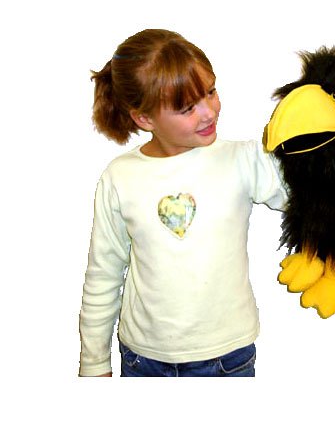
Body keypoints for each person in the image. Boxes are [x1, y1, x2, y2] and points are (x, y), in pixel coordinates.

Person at [79, 29, 287, 377]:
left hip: (227, 359)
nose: (208, 112)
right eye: (188, 108)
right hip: (142, 360)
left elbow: (310, 197)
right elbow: (103, 273)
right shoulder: (120, 176)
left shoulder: (245, 160)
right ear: (144, 119)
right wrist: (94, 362)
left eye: (211, 91)